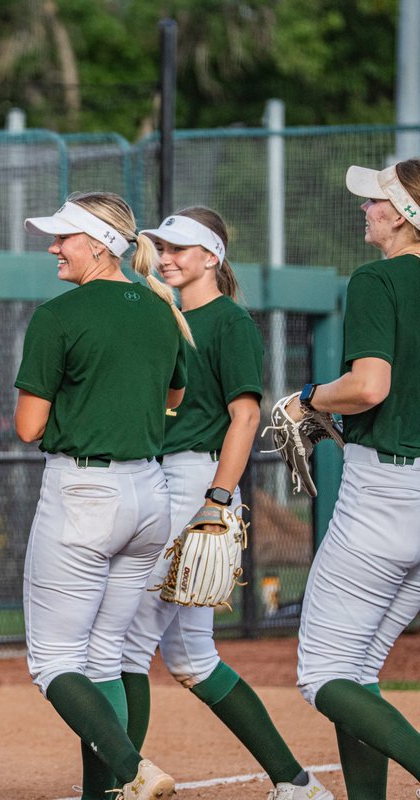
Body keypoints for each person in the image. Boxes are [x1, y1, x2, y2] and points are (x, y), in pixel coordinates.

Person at [118, 208, 331, 800]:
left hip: (194, 480)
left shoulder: (229, 321)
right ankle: (298, 781)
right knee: (192, 656)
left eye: (181, 248)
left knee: (129, 640)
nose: (167, 257)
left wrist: (218, 498)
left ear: (212, 256)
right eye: (162, 247)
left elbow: (245, 415)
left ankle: (124, 780)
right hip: (163, 475)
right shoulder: (167, 314)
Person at [15, 193, 188, 800]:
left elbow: (28, 427)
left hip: (84, 491)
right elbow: (171, 399)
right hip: (149, 493)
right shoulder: (161, 306)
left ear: (98, 243)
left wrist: (84, 399)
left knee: (54, 663)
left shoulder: (59, 314)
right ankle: (107, 793)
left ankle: (132, 768)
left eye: (63, 238)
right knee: (105, 655)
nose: (53, 247)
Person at [292, 158, 420, 800]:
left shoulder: (379, 278)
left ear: (399, 214)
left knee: (323, 673)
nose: (364, 209)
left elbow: (369, 386)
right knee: (360, 668)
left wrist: (313, 394)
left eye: (374, 201)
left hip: (389, 494)